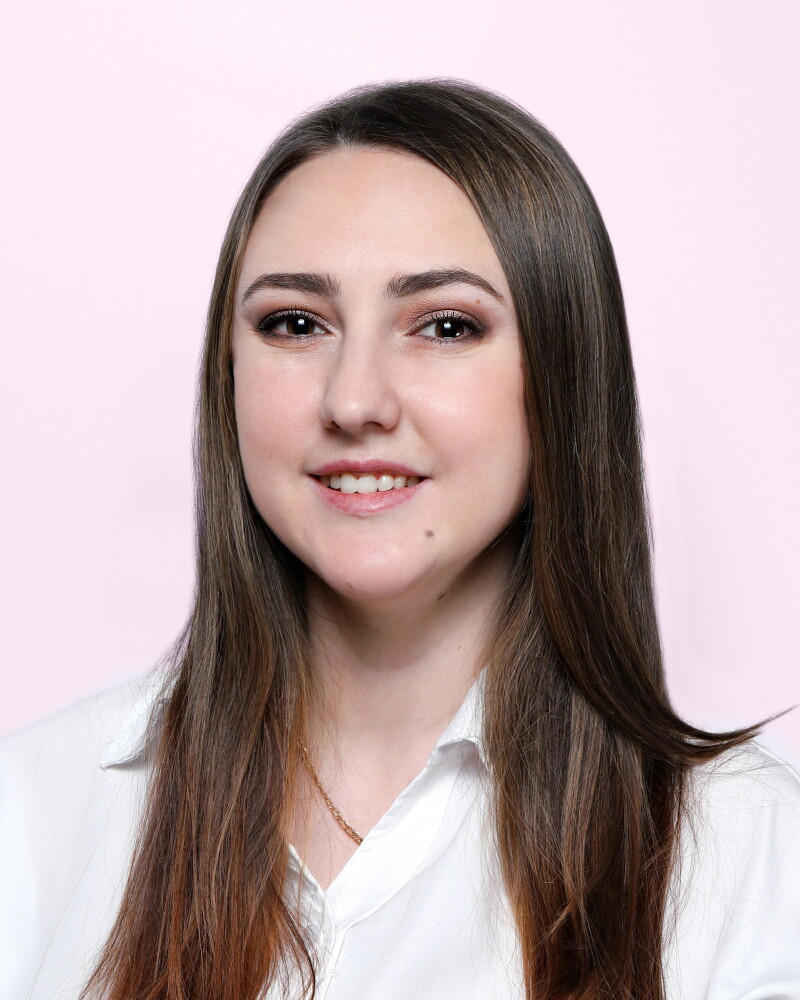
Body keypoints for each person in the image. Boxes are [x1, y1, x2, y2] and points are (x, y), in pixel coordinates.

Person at [1, 78, 799, 1000]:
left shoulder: (746, 853)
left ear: (562, 373)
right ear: (229, 371)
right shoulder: (35, 810)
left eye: (445, 326)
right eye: (295, 323)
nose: (354, 401)